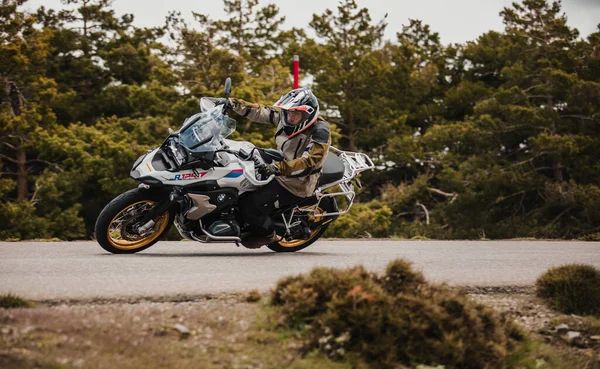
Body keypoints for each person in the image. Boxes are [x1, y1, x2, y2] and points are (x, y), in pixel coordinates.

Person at [228, 88, 331, 249]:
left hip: (297, 181)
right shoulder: (287, 117)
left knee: (250, 204)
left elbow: (309, 162)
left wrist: (276, 168)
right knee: (243, 157)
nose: (290, 117)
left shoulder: (320, 131)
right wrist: (233, 104)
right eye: (288, 112)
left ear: (307, 115)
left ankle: (267, 234)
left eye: (295, 114)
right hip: (283, 164)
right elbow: (262, 112)